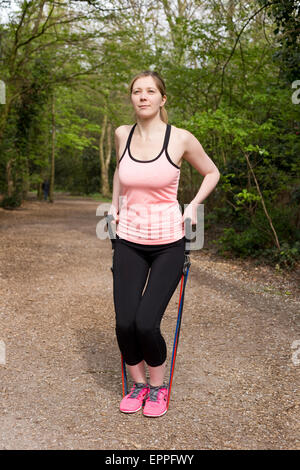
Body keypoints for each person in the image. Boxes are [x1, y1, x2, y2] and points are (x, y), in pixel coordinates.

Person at [109, 70, 220, 418]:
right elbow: (119, 170)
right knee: (124, 323)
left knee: (145, 323)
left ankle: (157, 389)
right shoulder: (121, 134)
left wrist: (194, 205)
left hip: (169, 243)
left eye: (150, 91)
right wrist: (113, 205)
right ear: (131, 98)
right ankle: (138, 384)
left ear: (162, 99)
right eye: (137, 91)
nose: (143, 96)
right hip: (128, 239)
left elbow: (211, 172)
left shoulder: (180, 139)